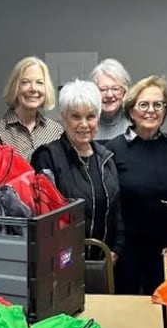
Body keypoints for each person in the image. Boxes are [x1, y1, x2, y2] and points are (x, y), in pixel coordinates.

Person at [106, 76, 167, 295]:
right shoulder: (113, 149)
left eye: (158, 104)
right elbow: (109, 205)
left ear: (165, 110)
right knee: (129, 316)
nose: (151, 110)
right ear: (131, 110)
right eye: (144, 104)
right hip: (126, 251)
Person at [31, 80, 125, 261]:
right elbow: (42, 218)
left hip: (104, 263)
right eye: (76, 116)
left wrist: (116, 250)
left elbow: (117, 212)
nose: (84, 124)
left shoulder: (106, 159)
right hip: (62, 263)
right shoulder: (47, 157)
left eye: (90, 116)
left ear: (98, 118)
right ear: (64, 118)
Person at [0, 56, 63, 163]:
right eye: (25, 82)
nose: (33, 88)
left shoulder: (56, 131)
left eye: (39, 82)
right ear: (15, 87)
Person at [90, 58, 131, 140]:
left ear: (124, 92)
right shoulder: (86, 124)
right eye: (103, 89)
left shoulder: (135, 123)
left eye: (115, 89)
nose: (109, 95)